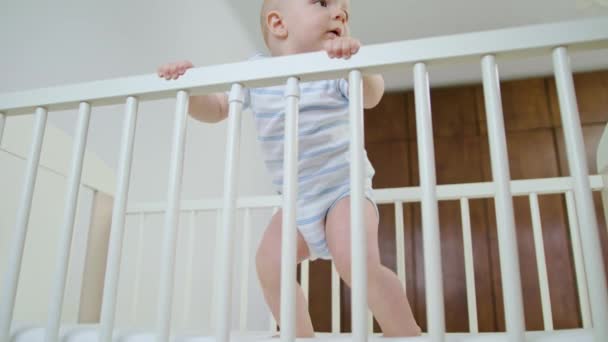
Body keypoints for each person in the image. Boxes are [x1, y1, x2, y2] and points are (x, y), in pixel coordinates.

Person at [157, 0, 421, 337]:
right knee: (269, 266)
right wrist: (188, 89)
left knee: (356, 263)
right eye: (323, 3)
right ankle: (299, 334)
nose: (339, 12)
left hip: (343, 191)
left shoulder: (335, 66)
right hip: (296, 202)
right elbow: (218, 107)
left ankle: (405, 331)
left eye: (345, 11)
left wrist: (359, 64)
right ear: (278, 24)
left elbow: (371, 96)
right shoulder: (255, 72)